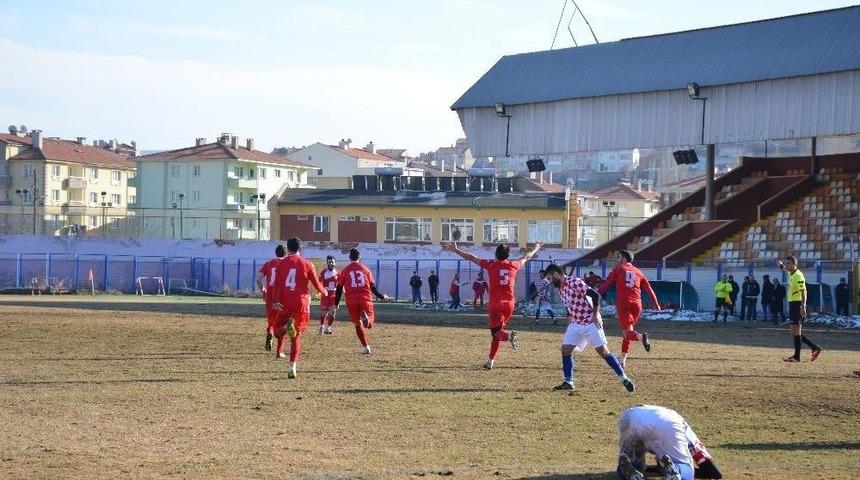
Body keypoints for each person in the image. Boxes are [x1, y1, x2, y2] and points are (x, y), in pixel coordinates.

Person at [444, 242, 542, 369]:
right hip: (509, 304)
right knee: (497, 333)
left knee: (496, 333)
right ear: (508, 255)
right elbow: (527, 257)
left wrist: (456, 250)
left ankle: (509, 336)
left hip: (496, 304)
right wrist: (536, 248)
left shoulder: (491, 265)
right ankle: (490, 361)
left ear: (496, 254)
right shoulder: (514, 265)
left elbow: (472, 257)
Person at [544, 264, 635, 392]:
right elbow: (569, 309)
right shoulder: (560, 289)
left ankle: (624, 378)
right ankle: (568, 381)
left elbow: (595, 295)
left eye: (550, 277)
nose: (550, 281)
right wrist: (569, 325)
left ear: (556, 274)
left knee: (603, 352)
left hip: (590, 321)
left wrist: (595, 314)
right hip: (576, 324)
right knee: (565, 350)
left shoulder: (574, 282)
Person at [269, 238, 328, 379]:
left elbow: (277, 284)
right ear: (300, 249)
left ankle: (285, 327)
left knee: (277, 333)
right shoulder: (307, 264)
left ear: (288, 249)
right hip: (301, 303)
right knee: (296, 336)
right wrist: (324, 292)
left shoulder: (281, 264)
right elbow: (315, 283)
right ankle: (292, 366)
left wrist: (275, 301)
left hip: (285, 302)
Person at [616, 405, 723, 480]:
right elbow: (713, 472)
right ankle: (676, 470)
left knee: (632, 464)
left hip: (631, 416)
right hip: (667, 422)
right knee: (685, 468)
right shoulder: (687, 432)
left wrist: (656, 469)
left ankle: (632, 474)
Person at [598, 250, 661, 368]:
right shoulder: (638, 271)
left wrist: (596, 294)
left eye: (619, 257)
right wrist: (656, 303)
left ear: (624, 259)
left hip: (624, 303)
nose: (617, 260)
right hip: (637, 304)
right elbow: (648, 288)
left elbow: (606, 284)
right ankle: (622, 360)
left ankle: (641, 337)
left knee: (627, 333)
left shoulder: (618, 269)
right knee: (628, 331)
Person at [334, 248, 390, 355]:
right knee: (370, 321)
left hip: (351, 300)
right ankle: (367, 320)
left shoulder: (345, 271)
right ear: (360, 258)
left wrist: (335, 304)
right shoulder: (366, 269)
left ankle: (366, 347)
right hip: (365, 298)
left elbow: (339, 288)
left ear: (349, 257)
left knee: (357, 324)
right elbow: (373, 288)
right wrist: (382, 296)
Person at [780, 256, 822, 363]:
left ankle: (797, 357)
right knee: (794, 331)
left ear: (795, 264)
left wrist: (803, 306)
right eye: (786, 263)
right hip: (793, 304)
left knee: (796, 330)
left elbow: (804, 292)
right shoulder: (792, 273)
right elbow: (786, 270)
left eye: (788, 263)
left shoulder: (798, 276)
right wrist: (781, 266)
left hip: (797, 304)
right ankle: (814, 348)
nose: (787, 265)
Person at [255, 244, 286, 352]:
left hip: (270, 296)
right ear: (285, 253)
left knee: (271, 321)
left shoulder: (269, 263)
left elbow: (258, 279)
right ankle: (280, 351)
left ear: (275, 253)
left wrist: (263, 290)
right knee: (282, 322)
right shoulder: (286, 263)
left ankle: (270, 332)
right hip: (281, 297)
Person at [318, 255, 339, 334]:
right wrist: (319, 292)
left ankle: (328, 328)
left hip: (333, 294)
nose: (331, 263)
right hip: (325, 294)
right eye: (329, 262)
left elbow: (340, 285)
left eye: (332, 262)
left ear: (335, 263)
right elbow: (319, 283)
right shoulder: (323, 272)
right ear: (327, 263)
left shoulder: (337, 273)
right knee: (324, 312)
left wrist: (344, 293)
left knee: (333, 312)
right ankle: (322, 326)